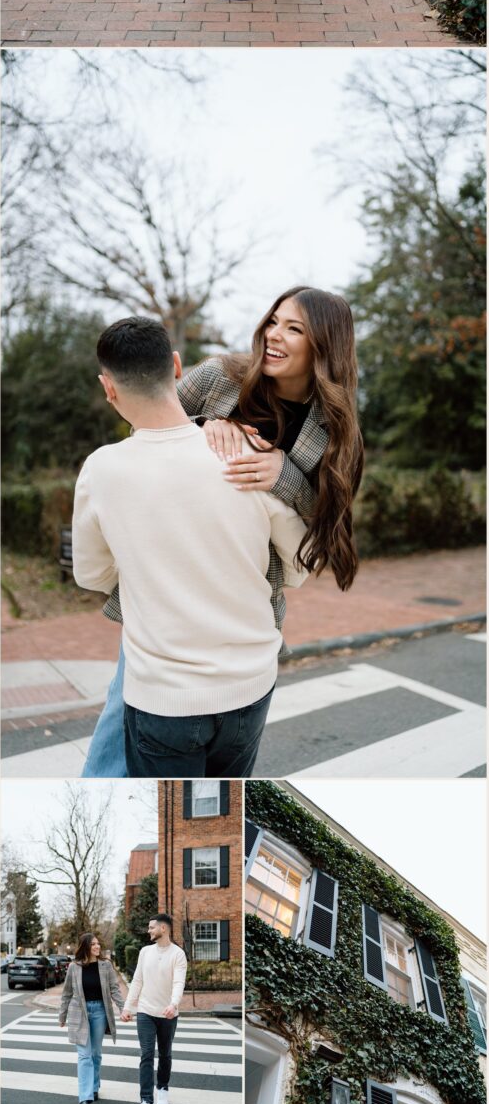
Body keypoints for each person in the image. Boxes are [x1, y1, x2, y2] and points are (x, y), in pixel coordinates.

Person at [82, 286, 364, 780]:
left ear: (326, 346)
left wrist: (284, 474)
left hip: (246, 599)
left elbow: (325, 531)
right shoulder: (221, 377)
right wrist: (207, 422)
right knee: (113, 741)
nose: (274, 336)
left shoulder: (334, 431)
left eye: (294, 328)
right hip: (162, 596)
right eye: (273, 320)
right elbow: (148, 430)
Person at [121, 911, 187, 1104]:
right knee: (147, 1054)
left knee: (165, 1053)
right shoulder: (145, 952)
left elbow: (178, 983)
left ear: (163, 928)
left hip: (168, 1013)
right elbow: (137, 981)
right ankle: (146, 1103)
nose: (148, 931)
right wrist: (128, 1007)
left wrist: (174, 1003)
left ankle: (163, 1087)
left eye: (152, 927)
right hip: (146, 1012)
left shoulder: (178, 954)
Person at [58, 932, 124, 1104]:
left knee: (95, 1054)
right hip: (80, 1013)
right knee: (84, 1055)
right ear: (85, 947)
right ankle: (85, 1099)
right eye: (93, 944)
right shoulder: (74, 967)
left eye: (98, 944)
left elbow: (114, 989)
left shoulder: (106, 966)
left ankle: (94, 1087)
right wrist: (62, 1016)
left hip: (100, 1012)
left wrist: (122, 1008)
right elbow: (66, 993)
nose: (97, 947)